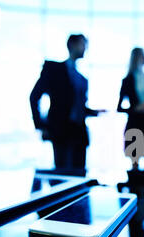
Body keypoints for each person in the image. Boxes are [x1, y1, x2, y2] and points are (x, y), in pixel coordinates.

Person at [30, 34, 105, 173]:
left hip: (79, 132)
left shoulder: (82, 79)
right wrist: (40, 125)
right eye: (82, 45)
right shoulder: (53, 69)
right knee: (62, 175)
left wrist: (95, 112)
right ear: (72, 45)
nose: (85, 49)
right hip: (60, 130)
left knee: (79, 175)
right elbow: (34, 97)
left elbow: (77, 107)